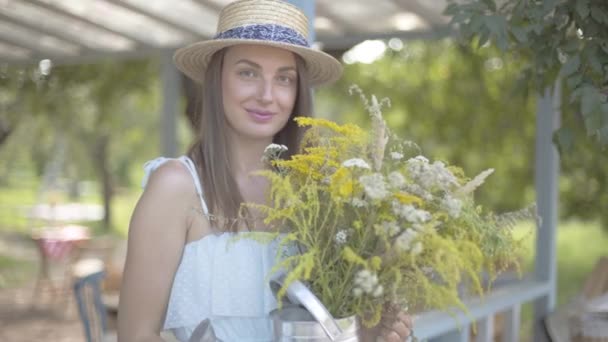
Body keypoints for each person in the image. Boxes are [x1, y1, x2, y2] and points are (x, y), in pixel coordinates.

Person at [117, 0, 413, 341]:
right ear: (217, 80)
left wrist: (368, 331)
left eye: (284, 79)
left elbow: (329, 329)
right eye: (248, 72)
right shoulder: (176, 187)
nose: (267, 95)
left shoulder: (322, 196)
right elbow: (135, 335)